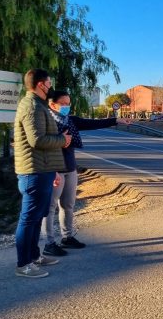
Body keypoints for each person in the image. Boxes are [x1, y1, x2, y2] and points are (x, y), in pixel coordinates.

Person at [41, 90, 123, 256]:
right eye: (63, 103)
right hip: (53, 170)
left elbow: (92, 123)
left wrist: (117, 120)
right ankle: (49, 243)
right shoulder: (45, 122)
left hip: (70, 168)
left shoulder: (71, 121)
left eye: (68, 103)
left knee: (68, 205)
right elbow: (41, 146)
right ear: (52, 104)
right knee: (49, 208)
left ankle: (67, 237)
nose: (66, 107)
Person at [13, 69, 71, 278]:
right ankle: (23, 264)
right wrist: (62, 140)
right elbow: (36, 140)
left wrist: (53, 170)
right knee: (29, 218)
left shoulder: (37, 105)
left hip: (42, 169)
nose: (50, 86)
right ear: (39, 84)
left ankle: (34, 256)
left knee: (37, 216)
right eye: (48, 83)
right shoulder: (32, 107)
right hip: (33, 171)